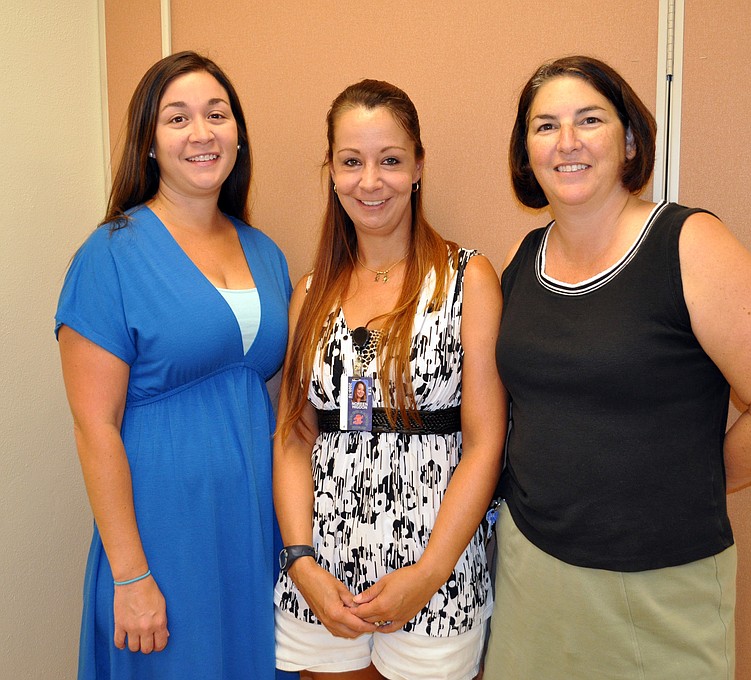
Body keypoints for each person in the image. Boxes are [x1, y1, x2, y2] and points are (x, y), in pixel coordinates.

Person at [484, 56, 751, 680]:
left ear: (631, 140)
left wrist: (683, 484)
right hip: (531, 567)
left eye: (590, 120)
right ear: (525, 152)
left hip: (658, 583)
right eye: (545, 125)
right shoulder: (521, 257)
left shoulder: (688, 244)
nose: (567, 142)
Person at [56, 51, 292, 679]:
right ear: (150, 142)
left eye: (217, 114)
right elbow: (94, 427)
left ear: (238, 135)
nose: (201, 133)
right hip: (161, 536)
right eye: (177, 118)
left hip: (252, 527)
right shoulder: (110, 254)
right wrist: (131, 575)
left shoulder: (266, 253)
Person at [272, 80, 506, 680]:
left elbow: (485, 444)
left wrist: (428, 575)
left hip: (435, 578)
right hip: (324, 580)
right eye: (351, 161)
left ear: (419, 166)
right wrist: (301, 563)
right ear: (331, 171)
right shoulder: (309, 292)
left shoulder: (468, 278)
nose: (370, 181)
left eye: (391, 160)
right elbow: (294, 436)